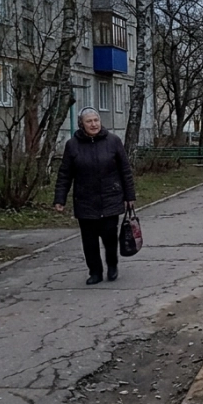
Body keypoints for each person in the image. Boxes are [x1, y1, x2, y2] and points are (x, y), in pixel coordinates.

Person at [54, 107, 137, 285]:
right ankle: (95, 272)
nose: (93, 124)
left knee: (109, 238)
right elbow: (65, 174)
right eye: (89, 121)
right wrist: (60, 199)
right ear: (81, 125)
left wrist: (129, 196)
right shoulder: (73, 145)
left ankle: (112, 265)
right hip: (85, 200)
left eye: (96, 120)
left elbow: (125, 171)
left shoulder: (113, 141)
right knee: (89, 241)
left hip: (110, 197)